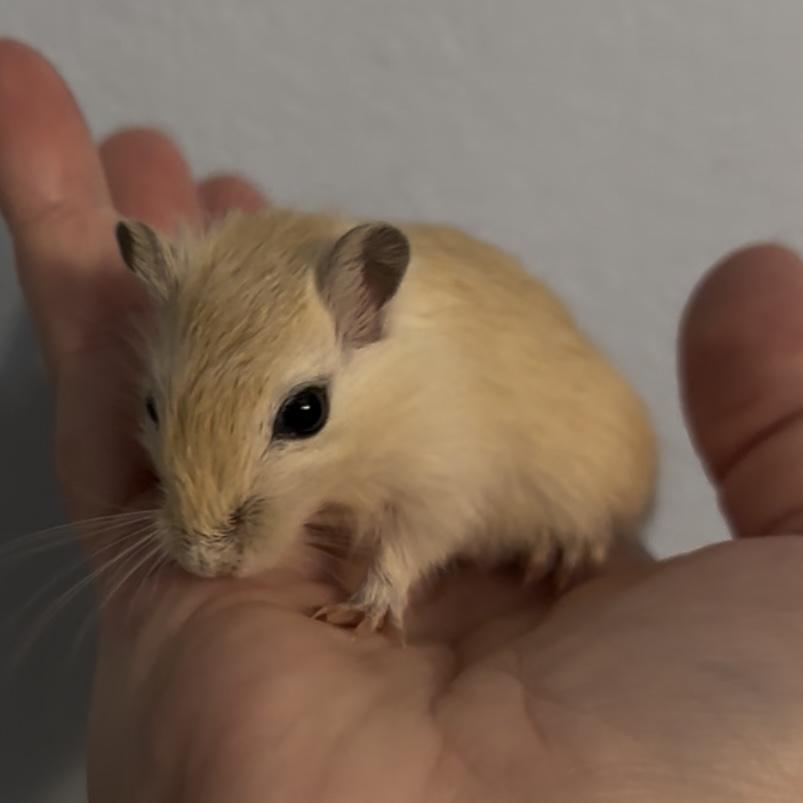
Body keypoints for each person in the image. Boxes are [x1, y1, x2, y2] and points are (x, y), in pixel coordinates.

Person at [1, 37, 802, 803]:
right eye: (157, 407)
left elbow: (451, 487)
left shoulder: (423, 369)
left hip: (582, 486)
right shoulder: (199, 307)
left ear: (368, 308)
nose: (207, 538)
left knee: (599, 471)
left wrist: (388, 578)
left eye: (302, 413)